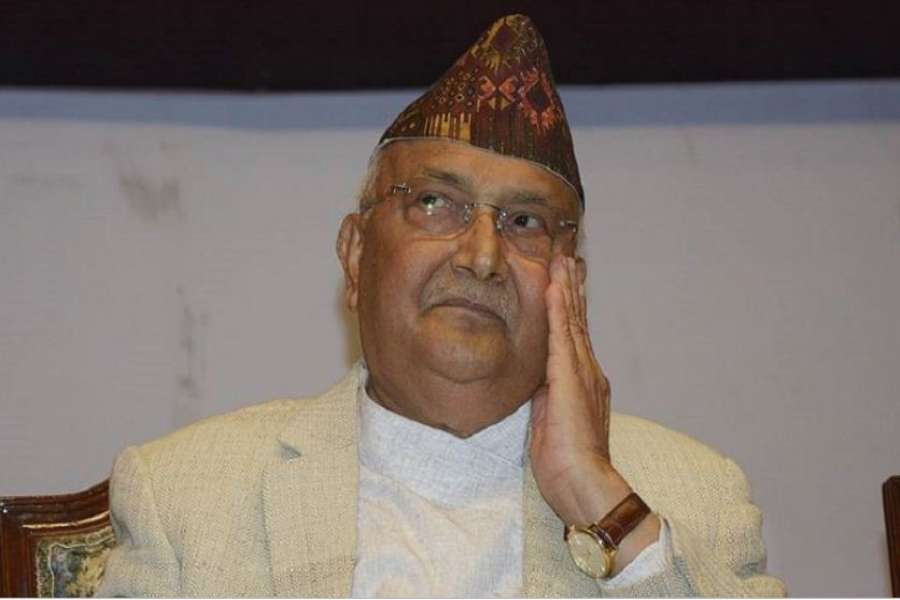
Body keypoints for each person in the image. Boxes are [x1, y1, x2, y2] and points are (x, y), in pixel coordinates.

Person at [96, 14, 786, 597]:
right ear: (355, 253)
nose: (482, 255)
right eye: (435, 203)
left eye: (525, 222)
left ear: (570, 280)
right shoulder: (186, 498)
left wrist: (601, 503)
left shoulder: (691, 499)